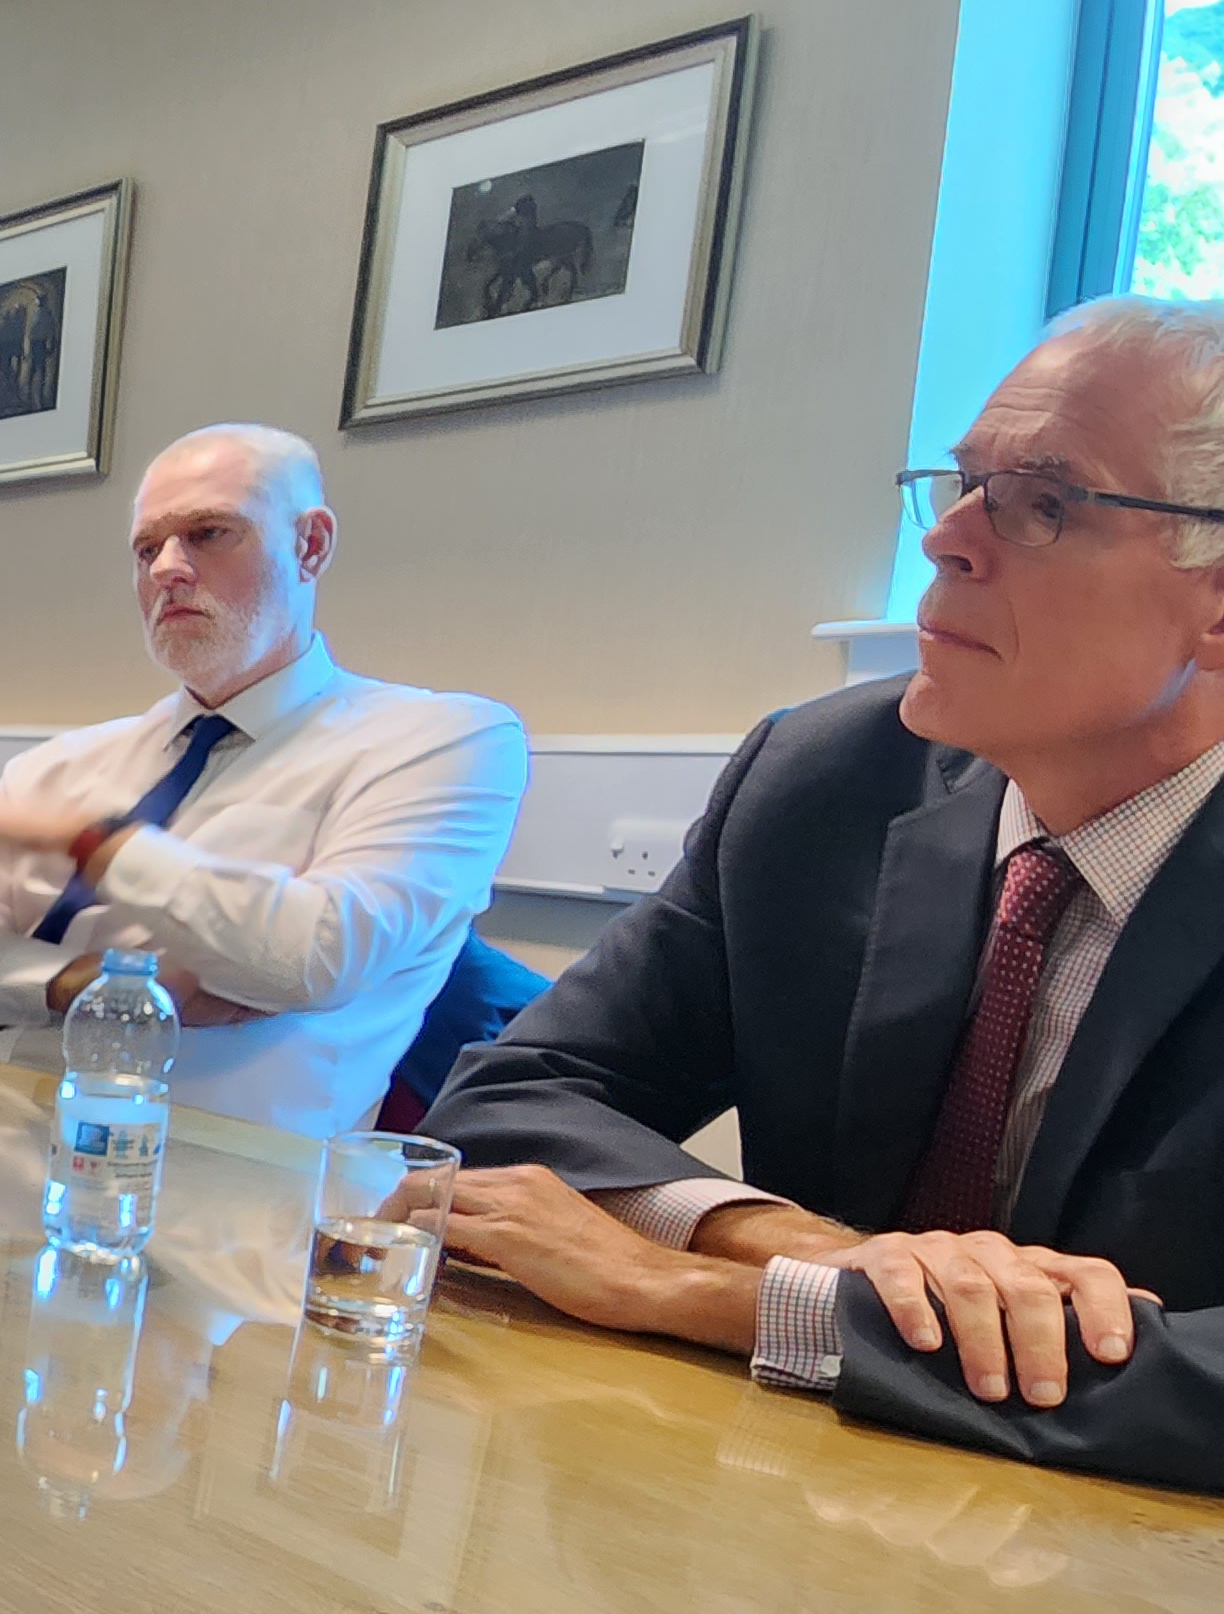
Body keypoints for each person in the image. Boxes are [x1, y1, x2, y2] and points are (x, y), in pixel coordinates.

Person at [427, 297, 1224, 1492]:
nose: (946, 539)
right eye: (963, 484)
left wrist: (699, 1292)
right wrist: (799, 1247)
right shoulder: (826, 780)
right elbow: (508, 1098)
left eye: (1043, 503)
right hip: (795, 1506)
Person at [0, 425, 526, 1134]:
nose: (167, 570)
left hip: (209, 1177)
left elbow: (315, 958)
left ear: (310, 546)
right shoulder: (66, 762)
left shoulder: (442, 740)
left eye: (209, 534)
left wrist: (93, 845)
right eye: (147, 549)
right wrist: (82, 984)